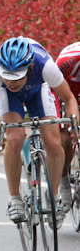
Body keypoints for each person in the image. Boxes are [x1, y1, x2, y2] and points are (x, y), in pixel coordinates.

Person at [0, 37, 79, 226]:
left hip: (38, 90)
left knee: (53, 143)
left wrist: (74, 126)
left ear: (30, 69)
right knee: (15, 138)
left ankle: (54, 197)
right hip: (8, 98)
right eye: (7, 76)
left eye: (17, 77)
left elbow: (69, 99)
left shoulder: (45, 65)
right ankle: (15, 199)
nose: (11, 81)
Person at [54, 42, 80, 214]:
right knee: (64, 134)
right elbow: (55, 91)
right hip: (64, 85)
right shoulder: (68, 61)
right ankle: (63, 181)